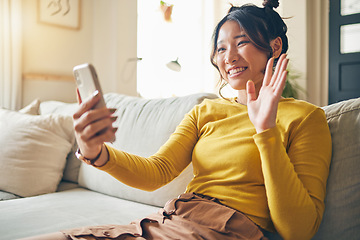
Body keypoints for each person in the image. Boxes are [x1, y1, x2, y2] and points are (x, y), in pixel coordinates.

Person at [23, 0, 332, 239]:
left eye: (241, 43)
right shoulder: (206, 111)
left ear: (274, 46)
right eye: (221, 48)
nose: (229, 57)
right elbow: (158, 171)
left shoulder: (305, 118)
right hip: (168, 221)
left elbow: (299, 231)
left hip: (224, 231)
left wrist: (265, 131)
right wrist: (96, 153)